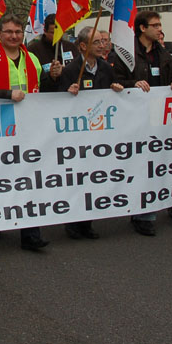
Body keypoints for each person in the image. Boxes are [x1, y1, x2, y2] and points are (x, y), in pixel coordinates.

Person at [0, 12, 56, 251]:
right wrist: (7, 95)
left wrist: (53, 78)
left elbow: (42, 91)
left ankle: (31, 234)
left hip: (29, 129)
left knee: (29, 179)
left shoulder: (33, 60)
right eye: (8, 31)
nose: (14, 36)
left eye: (18, 32)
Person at [114, 11, 172, 236]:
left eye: (160, 25)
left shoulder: (166, 57)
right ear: (142, 28)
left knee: (154, 166)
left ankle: (147, 211)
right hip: (133, 120)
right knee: (138, 166)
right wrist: (134, 83)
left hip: (158, 120)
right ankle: (138, 209)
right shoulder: (125, 53)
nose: (159, 29)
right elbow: (115, 82)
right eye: (155, 25)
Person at [53, 27, 124, 240]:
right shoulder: (71, 70)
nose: (103, 45)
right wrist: (66, 93)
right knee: (78, 178)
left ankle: (88, 222)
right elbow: (55, 102)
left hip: (99, 134)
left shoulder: (106, 67)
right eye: (97, 42)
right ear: (83, 46)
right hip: (77, 136)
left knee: (94, 179)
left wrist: (117, 89)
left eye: (104, 41)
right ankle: (73, 222)